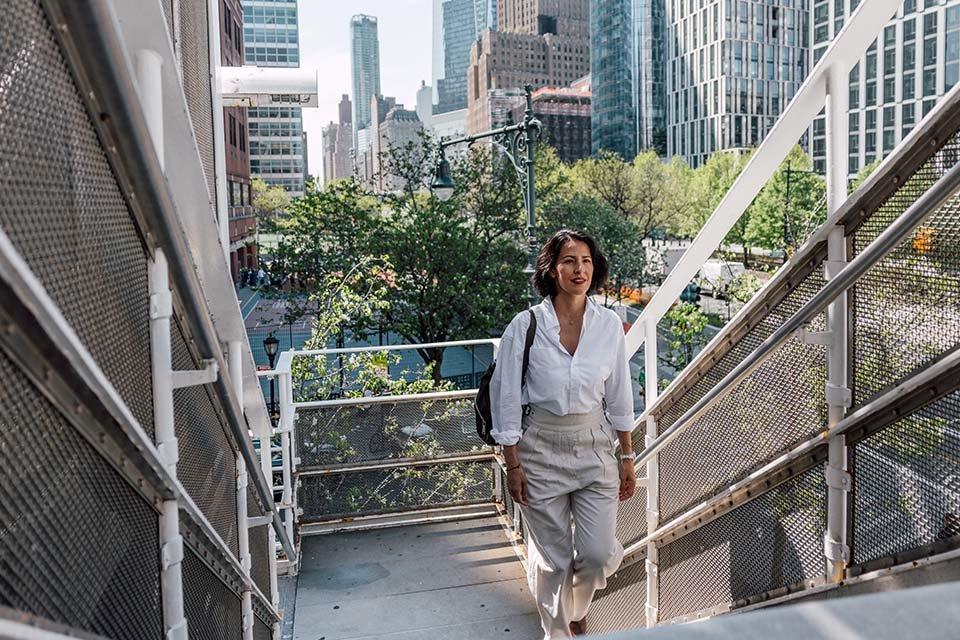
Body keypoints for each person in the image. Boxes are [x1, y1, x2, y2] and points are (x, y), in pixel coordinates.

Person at [490, 229, 637, 639]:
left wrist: (627, 458)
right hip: (539, 448)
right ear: (552, 269)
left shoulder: (609, 325)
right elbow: (505, 400)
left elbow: (620, 395)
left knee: (597, 554)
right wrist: (512, 464)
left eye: (587, 261)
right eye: (570, 261)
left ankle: (573, 609)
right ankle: (559, 633)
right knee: (553, 562)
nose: (580, 269)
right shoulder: (526, 326)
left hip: (594, 446)